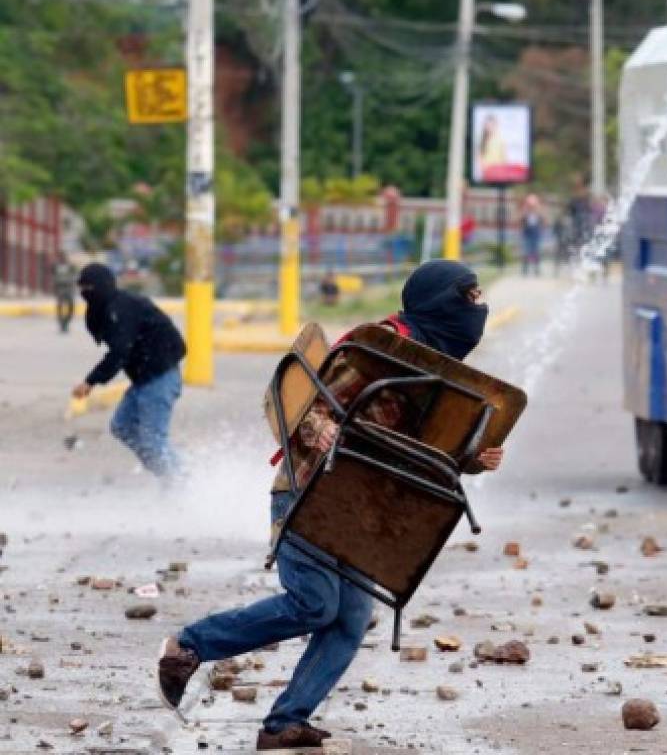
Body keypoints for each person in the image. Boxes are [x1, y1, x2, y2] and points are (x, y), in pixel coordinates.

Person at [157, 260, 505, 752]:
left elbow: (433, 452)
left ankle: (283, 725)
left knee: (348, 620)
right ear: (439, 301)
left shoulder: (440, 371)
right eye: (470, 299)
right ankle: (188, 646)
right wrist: (330, 437)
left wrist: (474, 459)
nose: (478, 310)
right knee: (315, 604)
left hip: (361, 508)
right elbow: (308, 408)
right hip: (310, 492)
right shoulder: (376, 349)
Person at [73, 263, 186, 477]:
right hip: (143, 381)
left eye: (89, 287)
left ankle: (182, 480)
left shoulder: (122, 309)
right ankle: (169, 472)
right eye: (82, 288)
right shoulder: (107, 309)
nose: (84, 293)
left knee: (153, 441)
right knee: (122, 427)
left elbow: (119, 352)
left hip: (160, 379)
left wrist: (90, 381)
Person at [50, 251, 76, 333]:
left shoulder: (70, 266)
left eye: (64, 256)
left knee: (71, 307)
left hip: (69, 289)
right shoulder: (56, 266)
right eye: (61, 257)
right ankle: (62, 324)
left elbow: (74, 276)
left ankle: (66, 322)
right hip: (60, 289)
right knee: (60, 307)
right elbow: (53, 276)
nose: (63, 258)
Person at [520, 194, 544, 277]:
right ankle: (525, 270)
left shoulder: (538, 213)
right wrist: (525, 211)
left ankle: (537, 270)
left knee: (536, 252)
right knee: (526, 251)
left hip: (535, 234)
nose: (531, 207)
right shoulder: (526, 213)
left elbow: (543, 221)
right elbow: (521, 220)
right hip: (527, 234)